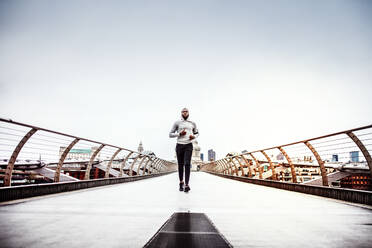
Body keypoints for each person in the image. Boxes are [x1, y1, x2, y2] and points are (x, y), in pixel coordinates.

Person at [169, 108, 199, 192]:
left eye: (186, 111)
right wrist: (179, 134)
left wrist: (194, 137)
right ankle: (181, 182)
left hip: (188, 145)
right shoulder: (177, 123)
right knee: (180, 164)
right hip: (179, 145)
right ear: (181, 113)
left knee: (187, 164)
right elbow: (170, 134)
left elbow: (197, 133)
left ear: (188, 113)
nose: (185, 113)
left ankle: (186, 184)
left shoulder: (192, 123)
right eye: (183, 111)